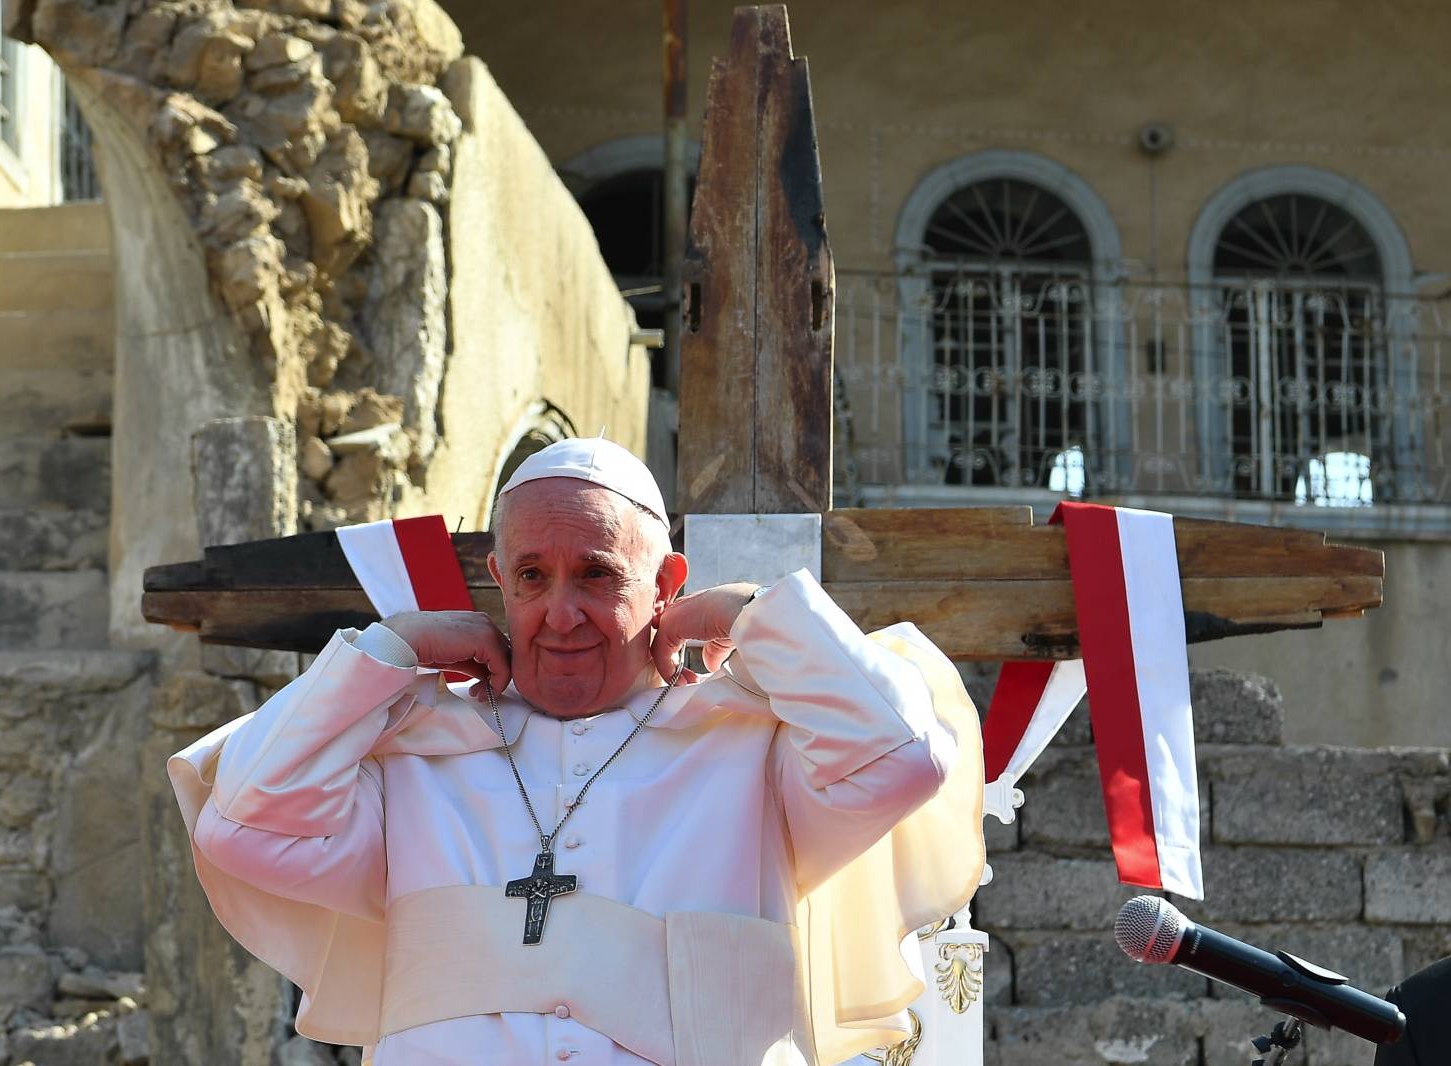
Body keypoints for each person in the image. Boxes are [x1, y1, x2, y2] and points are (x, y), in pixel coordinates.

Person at [168, 437, 984, 1066]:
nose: (560, 615)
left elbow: (903, 755)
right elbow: (244, 826)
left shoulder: (755, 751)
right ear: (496, 580)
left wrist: (750, 614)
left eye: (596, 575)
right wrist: (391, 645)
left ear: (667, 584)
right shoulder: (417, 752)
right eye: (531, 577)